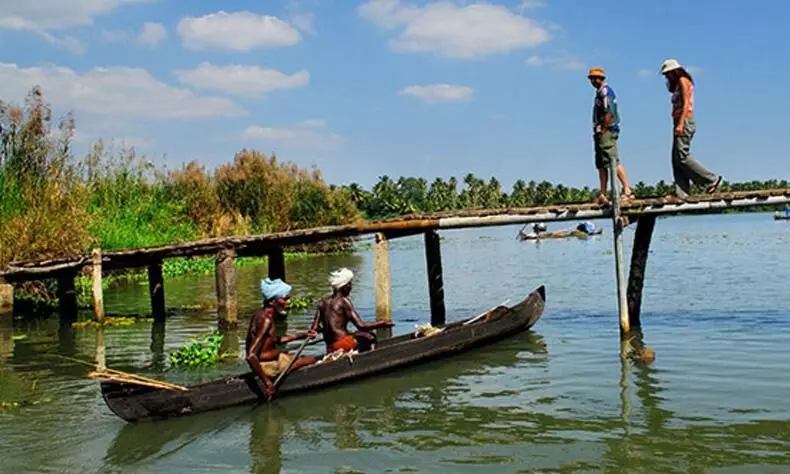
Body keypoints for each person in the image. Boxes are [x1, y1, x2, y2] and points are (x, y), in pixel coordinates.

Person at [660, 58, 722, 199]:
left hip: (685, 120)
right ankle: (682, 193)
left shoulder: (683, 80)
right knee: (676, 158)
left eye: (668, 73)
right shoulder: (676, 84)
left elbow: (687, 103)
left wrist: (681, 123)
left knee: (682, 155)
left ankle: (711, 179)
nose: (667, 76)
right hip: (678, 120)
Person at [246, 278, 318, 399]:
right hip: (269, 367)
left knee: (299, 357)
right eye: (285, 299)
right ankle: (287, 378)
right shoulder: (266, 320)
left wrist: (302, 335)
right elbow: (251, 355)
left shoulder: (260, 313)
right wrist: (267, 383)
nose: (288, 302)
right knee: (311, 360)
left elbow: (274, 341)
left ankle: (288, 368)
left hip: (273, 359)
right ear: (273, 302)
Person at [310, 267, 393, 354]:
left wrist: (316, 332)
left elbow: (313, 329)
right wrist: (382, 323)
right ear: (345, 287)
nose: (351, 288)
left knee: (359, 334)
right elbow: (361, 326)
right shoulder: (344, 301)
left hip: (330, 347)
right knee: (370, 336)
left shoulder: (322, 303)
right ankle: (371, 359)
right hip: (342, 344)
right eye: (350, 285)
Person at [587, 67, 634, 206]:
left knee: (613, 160)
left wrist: (604, 128)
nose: (594, 81)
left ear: (602, 78)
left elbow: (609, 112)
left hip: (607, 130)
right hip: (600, 131)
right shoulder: (599, 93)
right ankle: (603, 193)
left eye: (596, 78)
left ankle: (627, 190)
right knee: (601, 163)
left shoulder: (606, 92)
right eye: (592, 78)